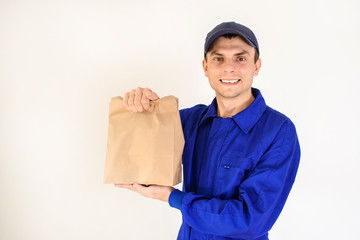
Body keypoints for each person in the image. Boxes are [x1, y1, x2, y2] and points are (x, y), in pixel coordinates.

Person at [115, 21, 301, 240]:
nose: (229, 68)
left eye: (240, 58)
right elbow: (138, 156)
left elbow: (250, 221)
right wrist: (140, 107)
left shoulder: (278, 131)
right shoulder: (189, 121)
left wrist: (174, 198)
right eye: (218, 58)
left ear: (256, 66)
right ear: (205, 67)